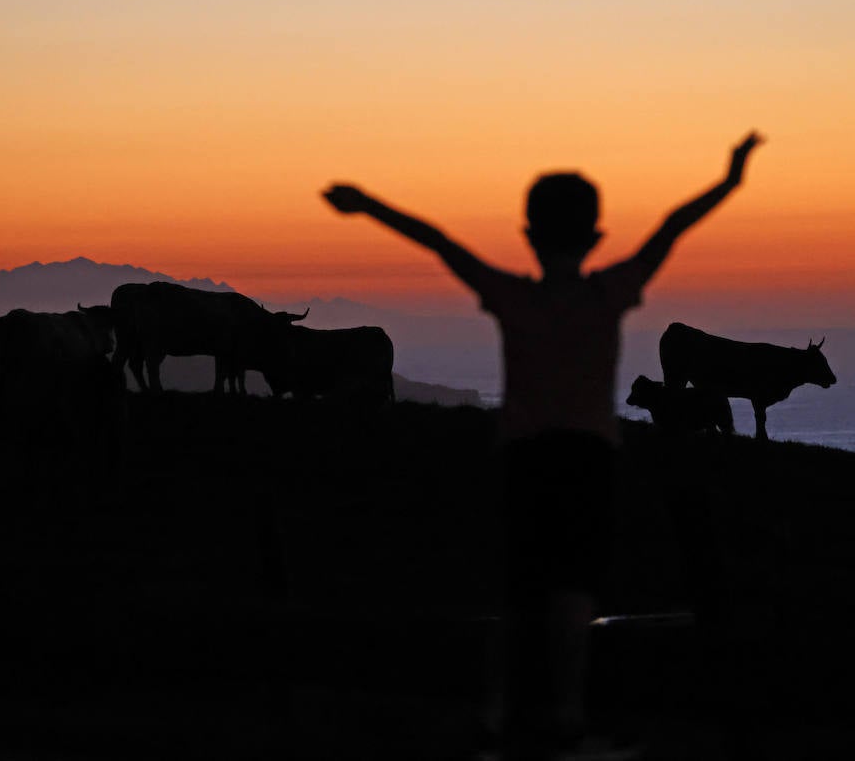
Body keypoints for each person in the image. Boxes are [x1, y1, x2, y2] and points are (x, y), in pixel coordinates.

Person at [321, 131, 762, 758]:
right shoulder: (610, 293)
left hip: (523, 459)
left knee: (519, 589)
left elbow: (439, 242)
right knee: (575, 591)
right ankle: (566, 716)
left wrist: (366, 204)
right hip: (588, 460)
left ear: (528, 234)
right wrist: (731, 177)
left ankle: (498, 719)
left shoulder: (512, 297)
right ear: (595, 237)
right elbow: (671, 227)